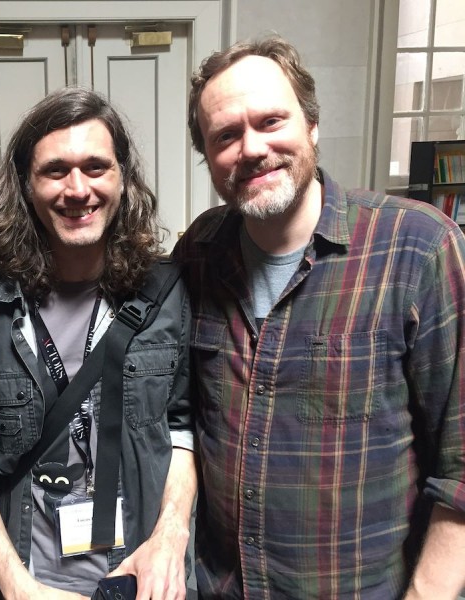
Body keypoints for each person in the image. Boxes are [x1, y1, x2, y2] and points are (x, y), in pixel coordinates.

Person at [173, 36, 465, 599]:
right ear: (208, 157)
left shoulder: (418, 249)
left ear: (311, 126)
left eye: (271, 121)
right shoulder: (198, 253)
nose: (251, 149)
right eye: (225, 136)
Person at [0, 87, 197, 600]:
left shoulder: (169, 295)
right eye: (55, 170)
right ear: (26, 186)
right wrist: (16, 586)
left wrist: (172, 535)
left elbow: (182, 428)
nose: (77, 189)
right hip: (36, 585)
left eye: (96, 167)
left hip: (145, 576)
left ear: (123, 178)